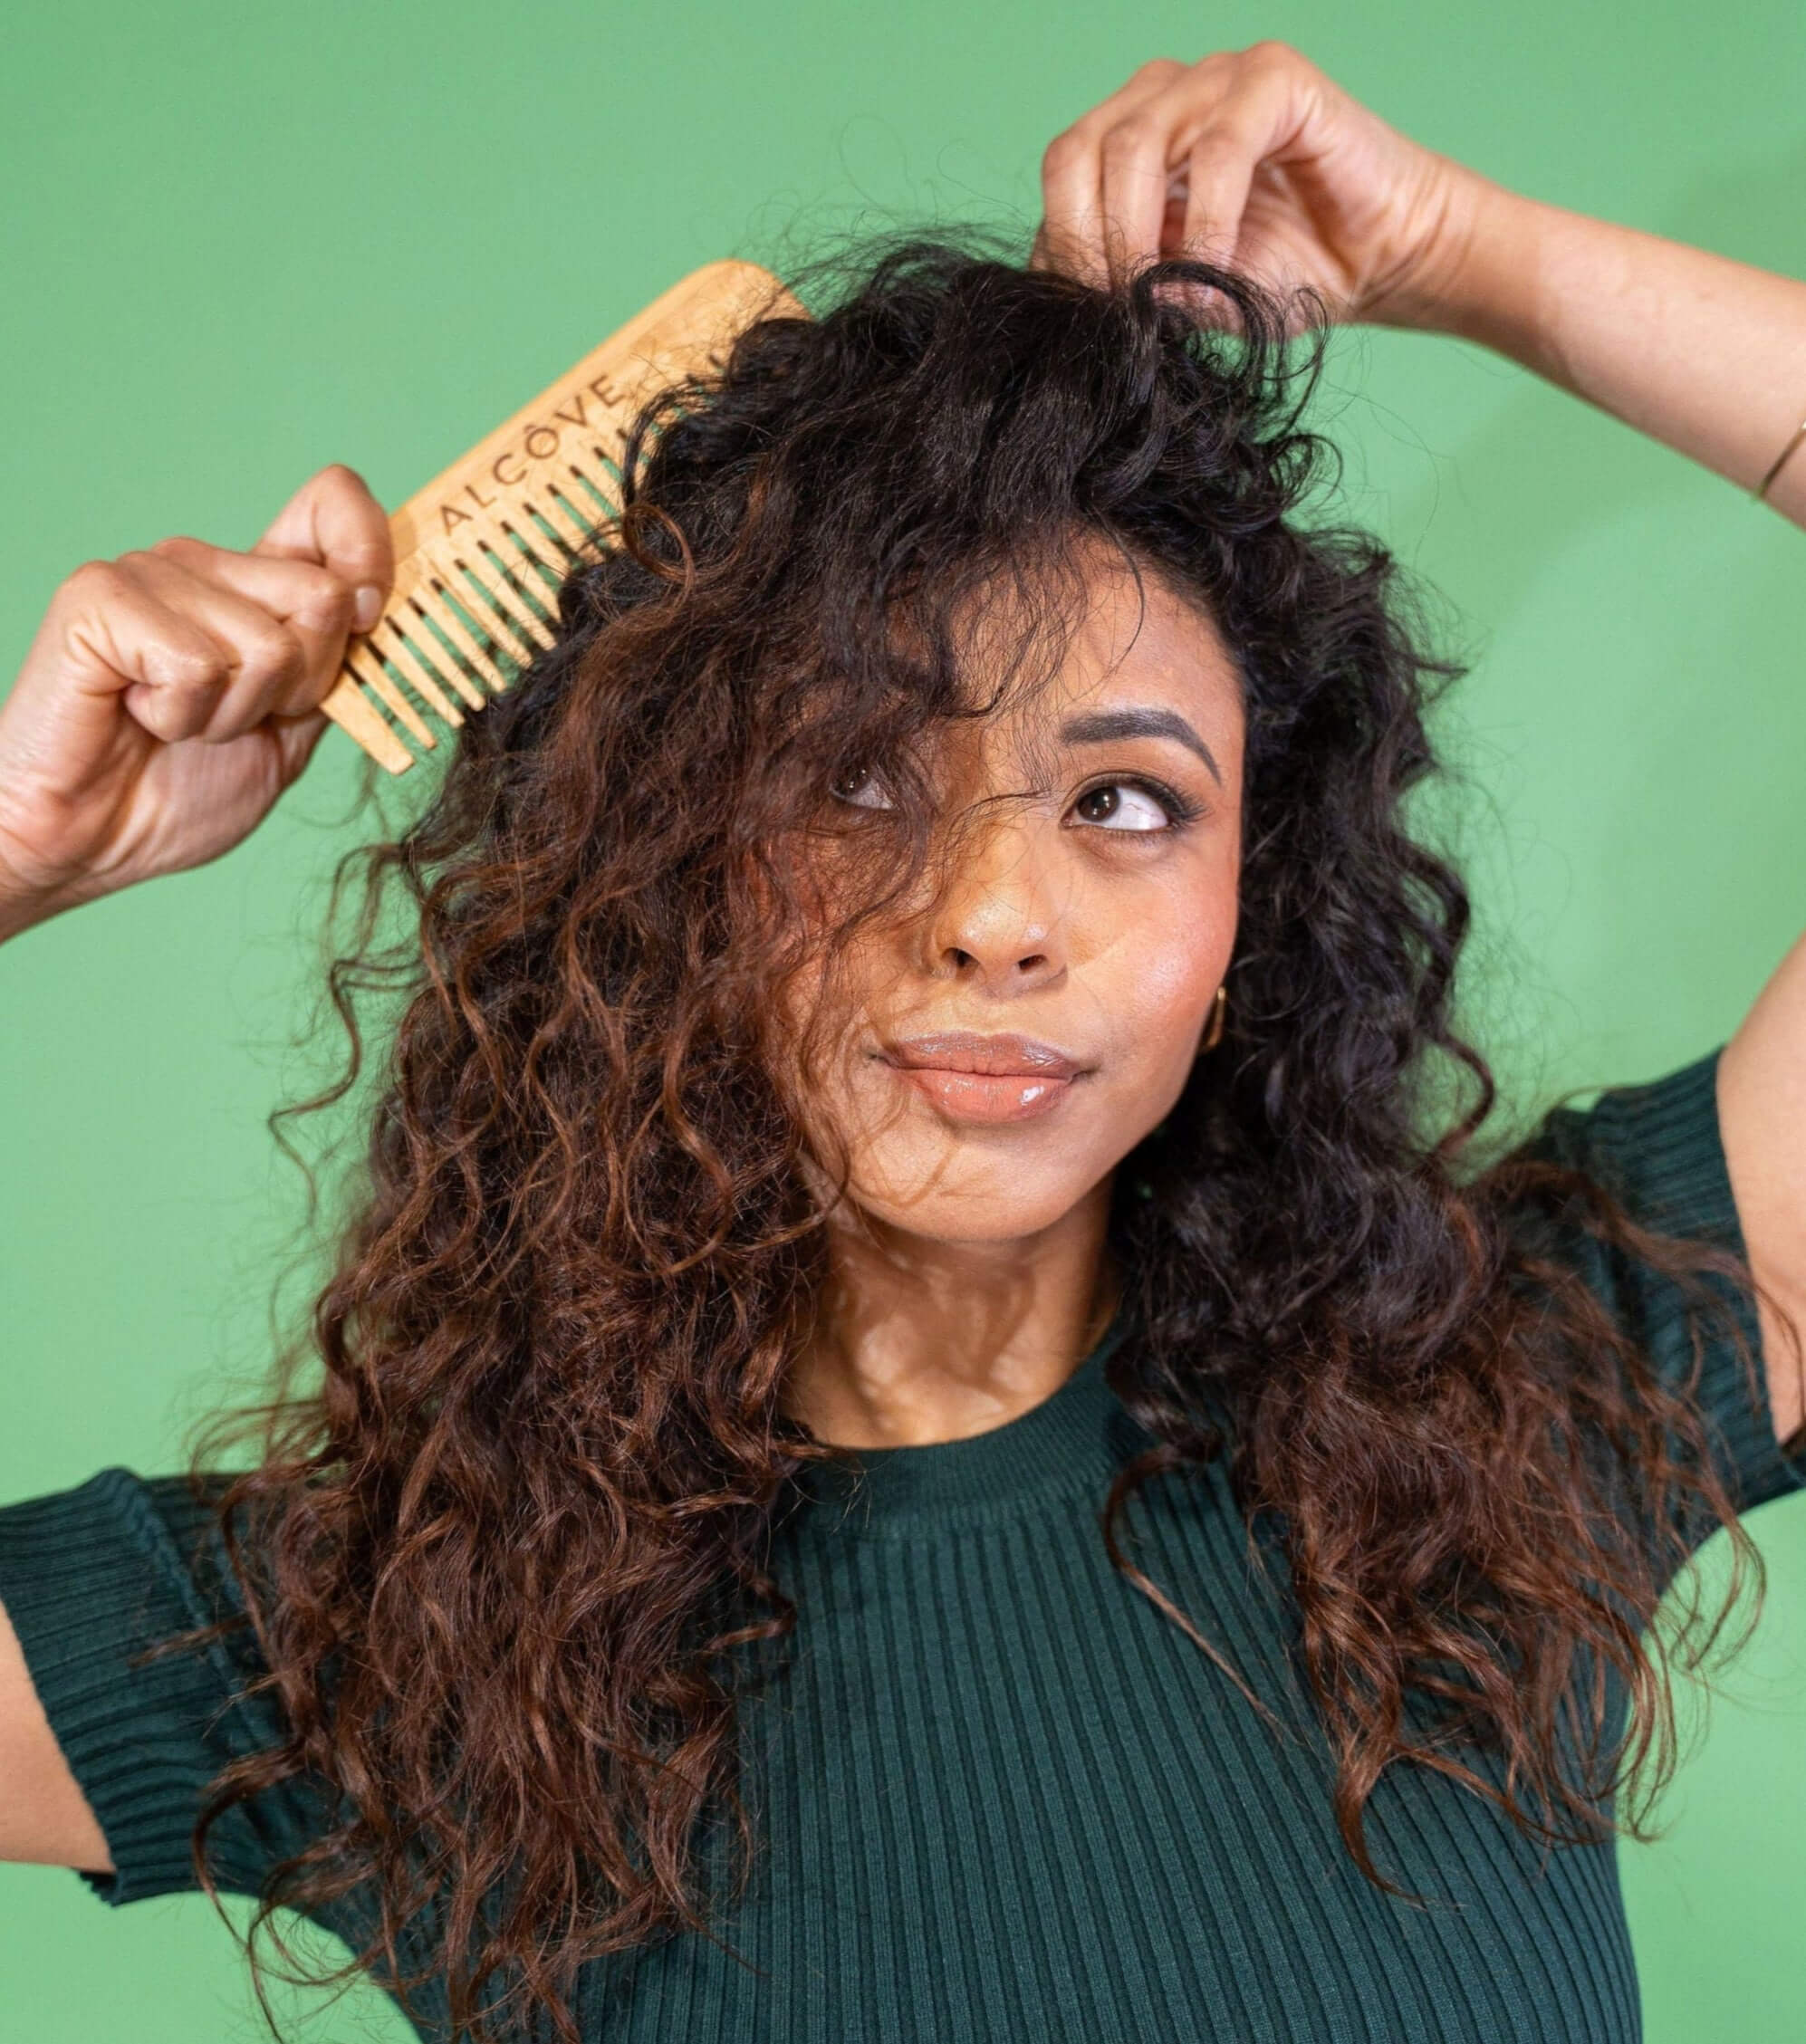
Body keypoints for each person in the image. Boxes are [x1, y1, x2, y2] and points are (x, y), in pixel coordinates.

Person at [2, 38, 1803, 2044]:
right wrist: (13, 855)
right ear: (676, 868)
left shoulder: (1509, 1404)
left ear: (1249, 916)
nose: (996, 915)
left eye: (1125, 799)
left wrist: (1471, 256)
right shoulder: (386, 1629)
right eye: (857, 780)